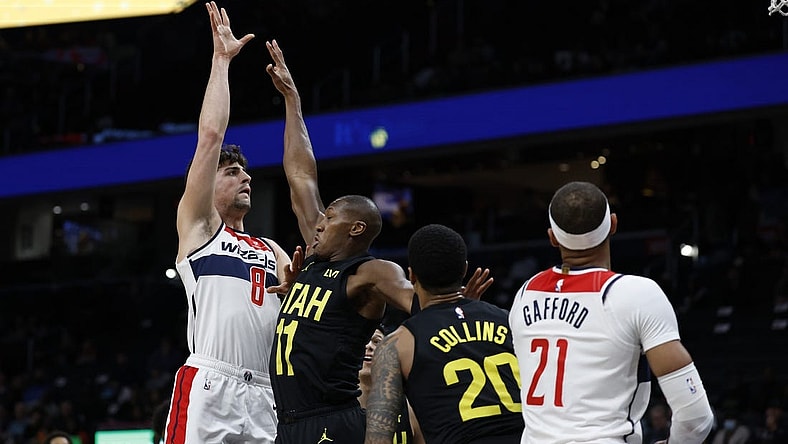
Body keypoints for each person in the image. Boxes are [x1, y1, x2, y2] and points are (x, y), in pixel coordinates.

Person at [264, 40, 492, 444]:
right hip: (289, 422)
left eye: (330, 217)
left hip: (332, 421)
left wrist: (457, 305)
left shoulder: (369, 272)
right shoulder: (316, 259)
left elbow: (414, 299)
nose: (318, 224)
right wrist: (293, 102)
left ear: (355, 229)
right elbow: (301, 174)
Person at [166, 3, 300, 443]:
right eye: (231, 172)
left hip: (265, 393)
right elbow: (210, 137)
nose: (245, 177)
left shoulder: (274, 250)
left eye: (246, 172)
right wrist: (221, 62)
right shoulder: (201, 229)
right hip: (210, 382)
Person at [508, 181, 714, 443]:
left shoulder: (526, 293)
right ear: (614, 224)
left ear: (552, 237)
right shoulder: (637, 294)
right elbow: (695, 418)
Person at [363, 224, 524, 444]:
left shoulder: (398, 344)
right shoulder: (511, 320)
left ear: (411, 275)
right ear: (464, 269)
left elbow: (378, 438)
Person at [358, 326, 424, 444]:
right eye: (364, 341)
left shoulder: (409, 409)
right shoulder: (338, 407)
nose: (369, 346)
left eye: (376, 341)